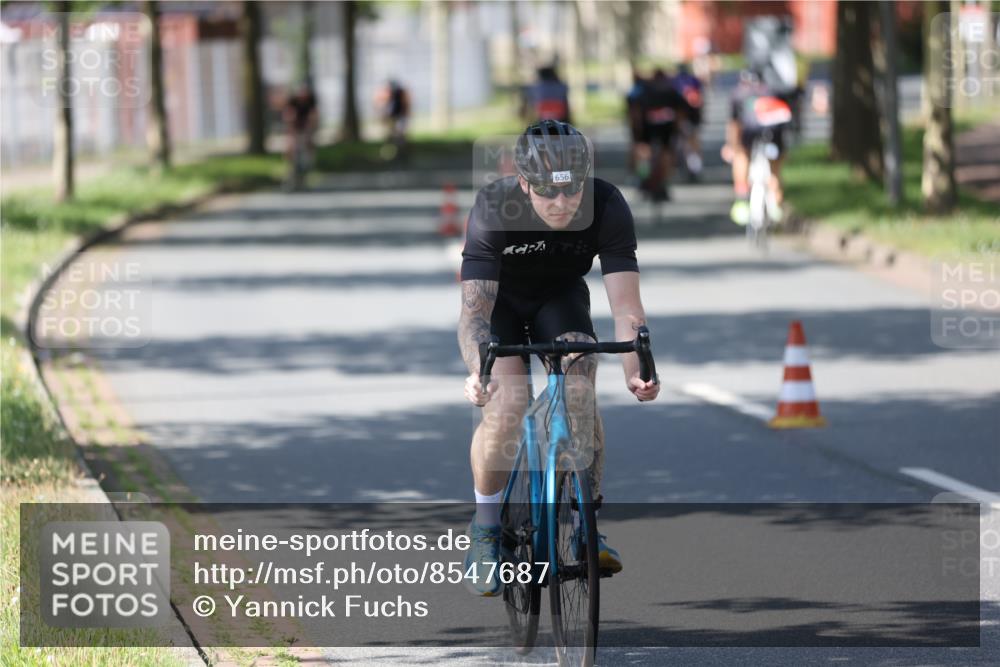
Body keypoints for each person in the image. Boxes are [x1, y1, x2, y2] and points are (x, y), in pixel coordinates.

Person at [458, 120, 660, 596]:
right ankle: (486, 528)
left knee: (579, 384)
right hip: (501, 307)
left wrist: (638, 372)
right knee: (507, 407)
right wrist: (478, 371)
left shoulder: (607, 204)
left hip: (560, 298)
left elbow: (627, 308)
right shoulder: (495, 205)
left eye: (572, 193)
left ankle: (586, 519)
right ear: (524, 183)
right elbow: (473, 313)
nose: (562, 204)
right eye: (548, 193)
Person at [723, 69, 793, 226]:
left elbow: (734, 124)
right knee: (775, 166)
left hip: (749, 132)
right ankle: (776, 200)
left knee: (740, 155)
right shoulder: (774, 91)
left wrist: (731, 146)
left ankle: (741, 199)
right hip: (774, 134)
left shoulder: (738, 94)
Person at [637, 68, 689, 201]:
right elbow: (680, 111)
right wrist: (678, 129)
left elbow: (636, 111)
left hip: (648, 125)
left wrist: (637, 130)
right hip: (666, 126)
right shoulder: (671, 90)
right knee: (666, 153)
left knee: (644, 153)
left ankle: (644, 176)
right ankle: (663, 181)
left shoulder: (645, 90)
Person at [672, 63, 704, 180]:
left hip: (680, 116)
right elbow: (700, 99)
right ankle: (695, 167)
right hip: (693, 116)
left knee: (682, 142)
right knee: (693, 142)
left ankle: (686, 166)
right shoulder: (695, 80)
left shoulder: (674, 81)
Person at [283, 83, 318, 177]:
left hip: (306, 124)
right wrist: (291, 131)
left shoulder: (311, 100)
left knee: (309, 142)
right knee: (290, 145)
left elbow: (313, 115)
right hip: (295, 124)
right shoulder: (292, 100)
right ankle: (289, 166)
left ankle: (310, 163)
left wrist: (310, 130)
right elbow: (288, 115)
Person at [379, 79, 410, 158]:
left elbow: (404, 105)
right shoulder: (394, 93)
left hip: (397, 116)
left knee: (398, 135)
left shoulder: (398, 93)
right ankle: (394, 152)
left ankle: (400, 152)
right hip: (394, 117)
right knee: (394, 135)